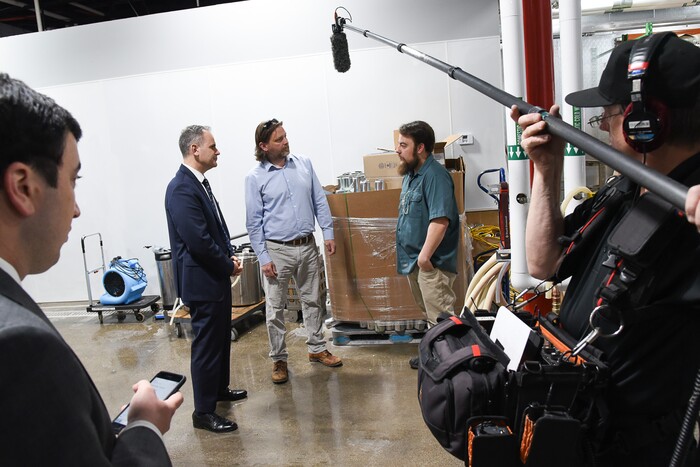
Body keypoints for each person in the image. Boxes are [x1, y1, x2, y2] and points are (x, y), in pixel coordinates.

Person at [511, 33, 700, 466]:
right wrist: (546, 169)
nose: (601, 128)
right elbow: (543, 262)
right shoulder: (627, 187)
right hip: (585, 433)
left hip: (645, 452)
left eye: (607, 116)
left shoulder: (692, 214)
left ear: (644, 122)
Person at [0, 73, 183, 466]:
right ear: (23, 186)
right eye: (73, 180)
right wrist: (144, 428)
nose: (77, 209)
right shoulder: (19, 347)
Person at [245, 118, 341, 385]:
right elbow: (253, 222)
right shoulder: (254, 178)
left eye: (285, 136)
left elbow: (319, 200)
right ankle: (279, 359)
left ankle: (317, 348)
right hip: (277, 251)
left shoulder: (304, 164)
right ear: (264, 146)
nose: (286, 141)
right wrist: (263, 257)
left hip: (307, 246)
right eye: (279, 139)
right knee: (275, 308)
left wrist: (328, 233)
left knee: (314, 300)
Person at [165, 125, 247, 433]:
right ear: (194, 149)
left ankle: (218, 390)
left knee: (220, 340)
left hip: (213, 278)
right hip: (202, 282)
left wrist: (229, 256)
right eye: (213, 146)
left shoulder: (199, 184)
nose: (218, 151)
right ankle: (203, 411)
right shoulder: (181, 188)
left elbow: (214, 230)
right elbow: (198, 241)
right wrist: (227, 265)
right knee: (207, 346)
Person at [395, 121, 460, 370]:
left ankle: (449, 368)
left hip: (431, 263)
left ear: (420, 147)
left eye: (404, 145)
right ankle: (434, 356)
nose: (398, 149)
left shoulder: (435, 176)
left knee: (441, 318)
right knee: (431, 313)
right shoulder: (411, 175)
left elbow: (440, 221)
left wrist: (424, 259)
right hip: (415, 262)